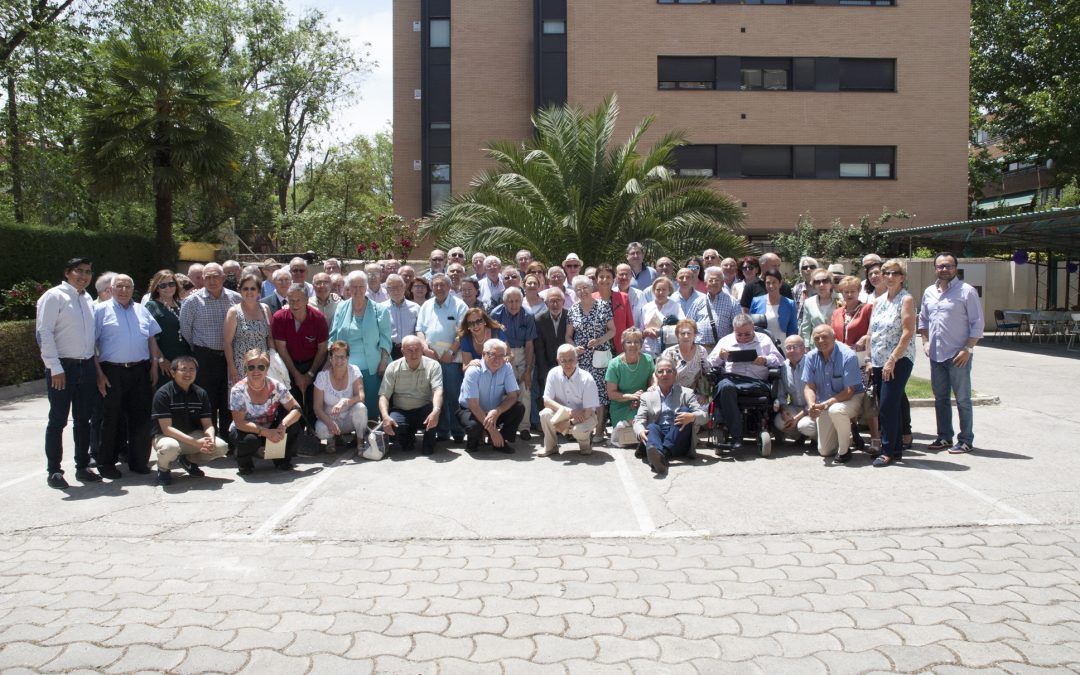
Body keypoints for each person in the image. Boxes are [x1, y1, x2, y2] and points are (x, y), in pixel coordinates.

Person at [94, 274, 168, 478]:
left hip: (140, 370)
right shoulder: (100, 311)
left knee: (141, 419)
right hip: (112, 371)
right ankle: (106, 463)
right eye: (119, 286)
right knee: (111, 419)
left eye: (128, 286)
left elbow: (151, 337)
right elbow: (91, 345)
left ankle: (138, 462)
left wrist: (154, 365)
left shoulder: (141, 310)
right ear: (111, 288)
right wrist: (99, 374)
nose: (124, 290)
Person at [37, 256, 100, 488]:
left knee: (83, 420)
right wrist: (54, 367)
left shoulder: (87, 299)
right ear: (67, 273)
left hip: (86, 365)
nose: (83, 276)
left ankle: (82, 466)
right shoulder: (54, 296)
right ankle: (54, 470)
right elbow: (44, 333)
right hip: (63, 368)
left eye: (87, 272)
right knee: (58, 420)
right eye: (78, 271)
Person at [918, 252, 983, 455]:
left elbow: (977, 323)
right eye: (940, 266)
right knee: (941, 399)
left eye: (948, 266)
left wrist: (968, 349)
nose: (944, 269)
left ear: (956, 268)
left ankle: (966, 440)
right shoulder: (929, 292)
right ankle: (945, 436)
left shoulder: (967, 291)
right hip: (936, 355)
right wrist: (926, 342)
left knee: (963, 399)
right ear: (935, 268)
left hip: (959, 355)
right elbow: (923, 320)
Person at [179, 262, 243, 445]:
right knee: (207, 400)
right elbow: (186, 331)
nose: (212, 280)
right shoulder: (192, 301)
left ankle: (229, 440)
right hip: (205, 358)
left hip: (230, 357)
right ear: (202, 279)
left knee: (229, 399)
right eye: (208, 277)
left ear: (223, 278)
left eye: (216, 276)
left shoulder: (235, 299)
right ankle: (208, 441)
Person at [707, 313, 784, 450]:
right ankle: (736, 437)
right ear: (733, 330)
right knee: (725, 387)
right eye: (739, 334)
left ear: (753, 328)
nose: (742, 338)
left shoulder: (764, 340)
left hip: (756, 382)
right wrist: (720, 357)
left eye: (747, 334)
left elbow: (780, 361)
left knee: (730, 387)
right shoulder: (726, 341)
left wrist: (765, 359)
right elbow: (710, 363)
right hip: (731, 380)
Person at [866, 259, 916, 467]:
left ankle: (886, 451)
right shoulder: (878, 301)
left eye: (894, 273)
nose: (888, 276)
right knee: (887, 405)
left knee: (887, 405)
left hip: (898, 360)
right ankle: (895, 449)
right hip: (877, 360)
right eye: (885, 272)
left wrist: (892, 360)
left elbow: (907, 333)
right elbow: (871, 332)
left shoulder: (906, 300)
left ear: (902, 277)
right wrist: (869, 359)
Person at [151, 355, 229, 486]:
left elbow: (208, 424)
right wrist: (196, 443)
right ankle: (163, 468)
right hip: (166, 437)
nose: (188, 373)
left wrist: (209, 437)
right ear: (173, 372)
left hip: (192, 435)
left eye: (192, 369)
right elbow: (166, 429)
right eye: (183, 369)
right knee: (170, 447)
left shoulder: (200, 393)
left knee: (221, 447)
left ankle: (188, 460)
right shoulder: (163, 394)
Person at [228, 348, 302, 474]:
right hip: (246, 430)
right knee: (249, 441)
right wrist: (266, 432)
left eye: (261, 367)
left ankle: (280, 459)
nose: (256, 371)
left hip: (271, 428)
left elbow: (297, 409)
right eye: (251, 367)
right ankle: (244, 462)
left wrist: (283, 425)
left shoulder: (276, 386)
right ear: (246, 369)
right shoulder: (238, 390)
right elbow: (240, 423)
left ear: (267, 369)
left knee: (293, 424)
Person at [417, 273, 469, 443]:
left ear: (449, 287)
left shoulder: (459, 305)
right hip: (430, 358)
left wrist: (451, 352)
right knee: (436, 395)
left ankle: (458, 431)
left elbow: (463, 332)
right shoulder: (426, 305)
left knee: (453, 396)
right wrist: (424, 348)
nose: (438, 288)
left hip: (451, 359)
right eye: (436, 285)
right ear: (431, 287)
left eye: (442, 285)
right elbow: (420, 330)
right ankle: (442, 431)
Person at [801, 324, 865, 463]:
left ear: (834, 337)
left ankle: (844, 451)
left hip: (851, 398)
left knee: (836, 410)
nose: (820, 341)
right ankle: (847, 431)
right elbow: (809, 386)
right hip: (825, 402)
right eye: (816, 338)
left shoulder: (848, 355)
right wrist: (812, 404)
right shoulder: (811, 357)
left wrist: (825, 404)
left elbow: (849, 391)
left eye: (824, 337)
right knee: (825, 451)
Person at [633, 357, 707, 475]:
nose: (665, 374)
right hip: (659, 435)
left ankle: (660, 455)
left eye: (669, 371)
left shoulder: (687, 393)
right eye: (660, 371)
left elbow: (704, 416)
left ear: (675, 374)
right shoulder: (647, 396)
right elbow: (639, 419)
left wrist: (692, 417)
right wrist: (640, 431)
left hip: (679, 437)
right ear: (656, 376)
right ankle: (658, 455)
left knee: (684, 410)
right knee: (651, 427)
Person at [329, 271, 392, 409]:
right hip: (345, 366)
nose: (357, 290)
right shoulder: (341, 307)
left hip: (373, 366)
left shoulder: (380, 310)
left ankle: (372, 428)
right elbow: (333, 336)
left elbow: (386, 339)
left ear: (366, 287)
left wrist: (383, 361)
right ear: (348, 288)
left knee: (371, 406)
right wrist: (331, 360)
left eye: (361, 286)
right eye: (353, 286)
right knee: (349, 406)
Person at [272, 284, 329, 429]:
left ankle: (313, 431)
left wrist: (310, 374)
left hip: (313, 364)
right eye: (291, 300)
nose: (295, 304)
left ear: (307, 300)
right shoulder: (279, 317)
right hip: (288, 365)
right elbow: (281, 348)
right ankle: (294, 435)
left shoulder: (318, 318)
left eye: (299, 300)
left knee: (312, 402)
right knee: (291, 403)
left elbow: (322, 349)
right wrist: (296, 374)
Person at [833, 274, 879, 453]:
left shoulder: (867, 309)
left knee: (868, 400)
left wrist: (865, 338)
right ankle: (853, 435)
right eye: (845, 292)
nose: (849, 295)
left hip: (862, 360)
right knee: (846, 397)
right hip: (843, 361)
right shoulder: (838, 312)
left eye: (852, 291)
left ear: (858, 292)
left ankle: (875, 438)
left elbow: (873, 332)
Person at [567, 276, 616, 440]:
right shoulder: (573, 310)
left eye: (585, 287)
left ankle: (600, 430)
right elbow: (568, 336)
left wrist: (600, 340)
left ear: (591, 288)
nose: (582, 291)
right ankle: (585, 428)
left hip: (599, 356)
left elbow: (612, 330)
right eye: (578, 289)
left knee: (600, 394)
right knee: (583, 394)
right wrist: (574, 348)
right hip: (581, 358)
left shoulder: (604, 306)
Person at [379, 335, 444, 455]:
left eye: (417, 350)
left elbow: (438, 391)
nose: (414, 354)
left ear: (422, 349)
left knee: (439, 410)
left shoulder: (433, 365)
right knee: (395, 428)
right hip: (401, 410)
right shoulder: (393, 367)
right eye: (409, 350)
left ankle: (429, 443)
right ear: (402, 351)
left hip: (424, 409)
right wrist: (385, 416)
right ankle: (407, 438)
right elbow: (384, 395)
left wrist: (436, 410)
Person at [458, 339, 524, 453]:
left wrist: (497, 411)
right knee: (473, 426)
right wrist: (493, 431)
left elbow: (513, 396)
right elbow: (473, 405)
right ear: (484, 354)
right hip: (471, 410)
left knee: (519, 408)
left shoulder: (506, 367)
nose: (497, 359)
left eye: (501, 355)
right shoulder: (473, 370)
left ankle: (500, 441)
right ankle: (474, 440)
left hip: (493, 411)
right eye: (493, 354)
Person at [490, 287, 537, 440]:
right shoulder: (496, 314)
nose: (514, 304)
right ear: (504, 301)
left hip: (523, 352)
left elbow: (530, 344)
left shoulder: (528, 315)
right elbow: (496, 341)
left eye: (517, 301)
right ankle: (504, 425)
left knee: (525, 389)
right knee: (507, 391)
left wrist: (528, 370)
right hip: (503, 353)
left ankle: (524, 428)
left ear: (522, 300)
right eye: (510, 301)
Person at [539, 344, 600, 456]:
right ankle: (550, 447)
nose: (567, 364)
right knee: (545, 414)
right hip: (563, 414)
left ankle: (585, 445)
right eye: (563, 360)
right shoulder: (553, 373)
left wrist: (568, 423)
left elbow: (588, 412)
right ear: (558, 360)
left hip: (585, 416)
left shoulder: (587, 378)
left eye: (571, 360)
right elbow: (546, 401)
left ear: (577, 359)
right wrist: (570, 412)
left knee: (578, 430)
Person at [313, 340, 368, 453]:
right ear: (330, 358)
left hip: (349, 419)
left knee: (361, 408)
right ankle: (331, 439)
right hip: (330, 419)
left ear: (347, 358)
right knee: (321, 429)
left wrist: (345, 401)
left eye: (342, 357)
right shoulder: (322, 376)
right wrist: (329, 423)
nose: (339, 360)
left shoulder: (354, 370)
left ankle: (360, 442)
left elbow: (361, 396)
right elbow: (317, 408)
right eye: (336, 357)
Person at [224, 273, 273, 387]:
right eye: (245, 288)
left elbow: (270, 337)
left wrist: (273, 361)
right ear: (240, 290)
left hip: (263, 366)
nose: (249, 292)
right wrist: (232, 368)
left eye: (253, 288)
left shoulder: (265, 309)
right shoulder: (234, 312)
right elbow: (227, 343)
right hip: (241, 367)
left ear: (259, 291)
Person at [145, 269, 191, 383]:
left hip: (184, 359)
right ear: (156, 288)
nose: (168, 288)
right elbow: (150, 336)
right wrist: (161, 359)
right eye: (163, 285)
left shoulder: (182, 304)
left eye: (171, 284)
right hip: (165, 361)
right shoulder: (152, 306)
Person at [605, 327, 655, 433]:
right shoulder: (614, 364)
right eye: (629, 342)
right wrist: (631, 397)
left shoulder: (648, 359)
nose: (633, 345)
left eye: (636, 341)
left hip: (642, 403)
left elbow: (653, 383)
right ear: (623, 345)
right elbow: (611, 394)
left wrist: (644, 395)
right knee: (639, 423)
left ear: (641, 344)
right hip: (621, 405)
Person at [774, 336, 817, 446]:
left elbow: (819, 396)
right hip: (796, 407)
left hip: (814, 408)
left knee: (805, 425)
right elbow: (781, 394)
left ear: (803, 348)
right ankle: (801, 436)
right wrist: (784, 410)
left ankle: (816, 438)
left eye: (795, 347)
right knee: (779, 421)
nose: (792, 350)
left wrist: (797, 418)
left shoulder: (813, 364)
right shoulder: (783, 367)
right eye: (788, 347)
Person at [693, 266, 739, 352]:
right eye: (710, 280)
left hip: (722, 349)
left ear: (722, 283)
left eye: (717, 280)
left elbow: (737, 327)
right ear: (706, 283)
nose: (714, 283)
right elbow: (689, 324)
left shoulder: (733, 302)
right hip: (699, 349)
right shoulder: (698, 302)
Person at [662, 319, 710, 395]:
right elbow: (661, 376)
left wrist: (704, 394)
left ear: (695, 335)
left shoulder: (701, 351)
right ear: (677, 335)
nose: (686, 336)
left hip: (694, 393)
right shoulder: (669, 353)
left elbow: (707, 374)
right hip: (671, 392)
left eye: (689, 333)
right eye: (683, 333)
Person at [750, 269, 798, 344]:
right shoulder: (756, 301)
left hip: (782, 344)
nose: (771, 286)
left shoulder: (790, 303)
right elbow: (750, 326)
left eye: (774, 282)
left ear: (780, 283)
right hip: (761, 344)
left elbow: (793, 329)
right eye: (768, 283)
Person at [594, 264, 634, 354]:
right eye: (601, 277)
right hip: (597, 348)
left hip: (620, 348)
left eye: (608, 277)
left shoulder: (623, 297)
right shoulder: (591, 298)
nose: (605, 280)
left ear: (613, 279)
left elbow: (630, 325)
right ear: (596, 279)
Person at [641, 276, 683, 356]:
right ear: (653, 290)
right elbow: (641, 328)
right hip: (648, 351)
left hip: (669, 351)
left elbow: (683, 327)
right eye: (658, 290)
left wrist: (661, 332)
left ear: (669, 291)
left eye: (664, 290)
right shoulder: (646, 307)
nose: (660, 292)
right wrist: (645, 332)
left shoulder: (675, 306)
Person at [383, 274, 420, 360]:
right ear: (387, 290)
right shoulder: (381, 308)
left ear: (404, 287)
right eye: (392, 288)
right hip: (389, 350)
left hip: (411, 349)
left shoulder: (415, 308)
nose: (396, 291)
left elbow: (419, 331)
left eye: (399, 287)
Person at [799, 268, 838, 346]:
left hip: (836, 344)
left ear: (831, 283)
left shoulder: (840, 300)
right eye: (817, 282)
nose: (821, 284)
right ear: (813, 285)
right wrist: (806, 346)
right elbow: (806, 327)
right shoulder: (809, 302)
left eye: (825, 281)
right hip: (816, 345)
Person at [614, 263, 647, 328]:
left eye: (627, 274)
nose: (624, 277)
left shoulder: (639, 294)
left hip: (635, 334)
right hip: (615, 334)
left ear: (631, 276)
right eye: (621, 274)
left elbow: (645, 316)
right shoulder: (611, 294)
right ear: (616, 276)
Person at [793, 256, 819, 322]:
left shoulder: (823, 287)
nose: (808, 269)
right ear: (801, 271)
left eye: (812, 267)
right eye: (805, 267)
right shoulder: (797, 289)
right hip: (801, 327)